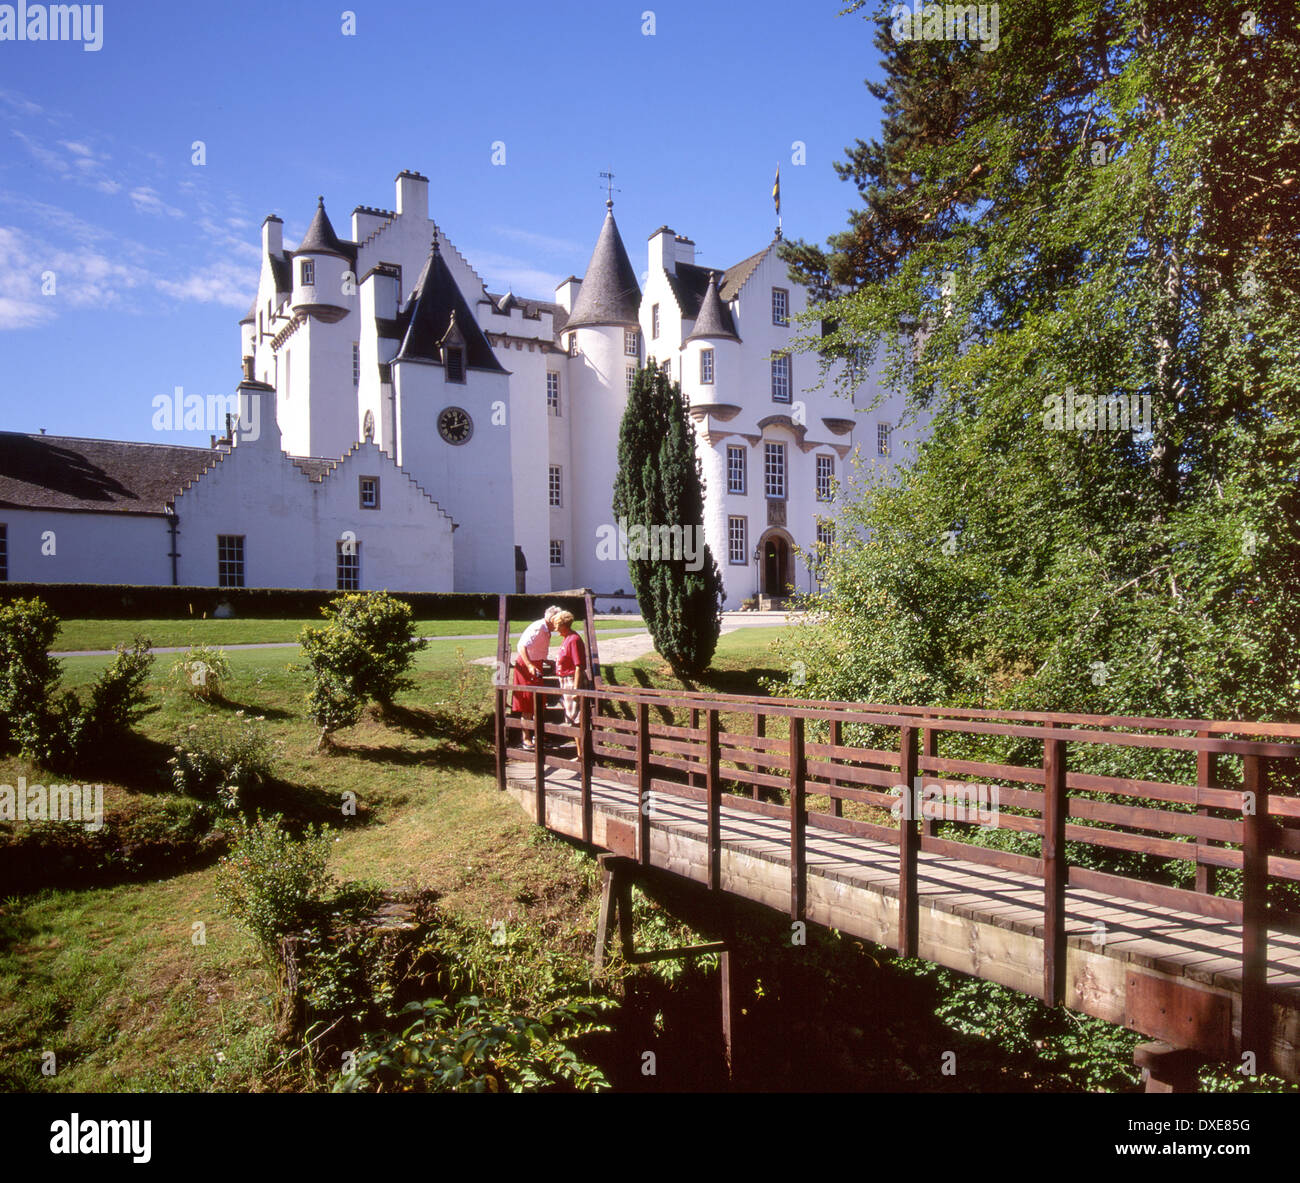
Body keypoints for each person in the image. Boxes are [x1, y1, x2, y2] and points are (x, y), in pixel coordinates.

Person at [511, 606, 560, 750]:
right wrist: (529, 665)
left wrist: (545, 661)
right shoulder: (538, 628)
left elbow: (537, 649)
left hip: (536, 664)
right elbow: (521, 646)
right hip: (526, 666)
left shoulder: (547, 630)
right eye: (558, 620)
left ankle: (538, 735)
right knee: (527, 702)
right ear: (552, 619)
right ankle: (526, 739)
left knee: (540, 701)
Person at [552, 610, 588, 727]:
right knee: (571, 717)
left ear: (564, 624)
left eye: (557, 624)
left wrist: (575, 690)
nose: (555, 627)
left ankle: (581, 746)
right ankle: (579, 745)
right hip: (564, 681)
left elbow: (579, 666)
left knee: (575, 718)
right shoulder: (566, 638)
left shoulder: (573, 639)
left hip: (571, 681)